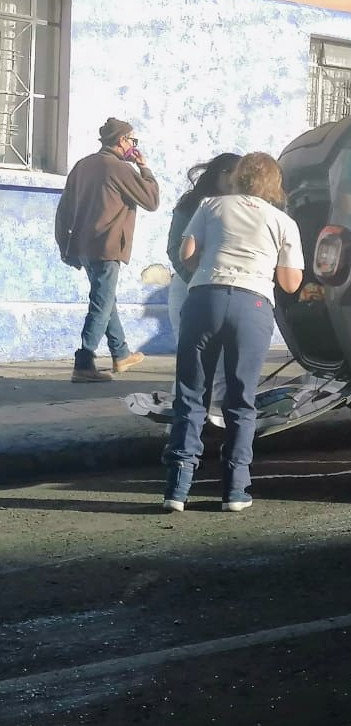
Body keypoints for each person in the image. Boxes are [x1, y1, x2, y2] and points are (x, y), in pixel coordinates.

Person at [162, 152, 304, 513]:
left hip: (204, 298)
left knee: (191, 394)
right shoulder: (282, 221)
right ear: (274, 184)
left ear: (238, 177)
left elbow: (188, 254)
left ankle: (177, 489)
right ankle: (235, 490)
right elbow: (289, 283)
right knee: (241, 400)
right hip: (252, 306)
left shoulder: (209, 205)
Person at [54, 117, 160, 383]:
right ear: (122, 141)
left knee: (106, 300)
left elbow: (63, 210)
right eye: (133, 141)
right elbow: (152, 200)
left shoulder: (83, 165)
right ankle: (84, 361)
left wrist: (64, 245)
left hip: (83, 247)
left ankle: (121, 354)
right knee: (101, 303)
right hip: (108, 245)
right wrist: (144, 168)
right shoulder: (120, 168)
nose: (134, 146)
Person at [167, 153, 241, 340]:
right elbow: (175, 248)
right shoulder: (191, 205)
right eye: (228, 172)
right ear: (217, 173)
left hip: (230, 289)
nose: (233, 178)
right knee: (189, 352)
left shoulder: (247, 208)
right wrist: (198, 281)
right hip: (188, 286)